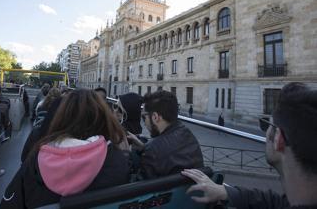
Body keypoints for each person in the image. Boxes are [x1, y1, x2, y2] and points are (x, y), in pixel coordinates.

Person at [182, 82, 317, 209]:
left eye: (268, 125)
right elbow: (277, 203)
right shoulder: (298, 200)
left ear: (278, 139)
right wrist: (226, 192)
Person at [1, 89, 130, 208]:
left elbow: (10, 202)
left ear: (62, 116)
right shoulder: (117, 160)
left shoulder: (37, 157)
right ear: (103, 117)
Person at [127, 90, 204, 179]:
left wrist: (125, 155)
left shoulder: (153, 150)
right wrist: (144, 148)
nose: (144, 122)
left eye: (144, 117)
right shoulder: (188, 134)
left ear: (155, 117)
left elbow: (138, 187)